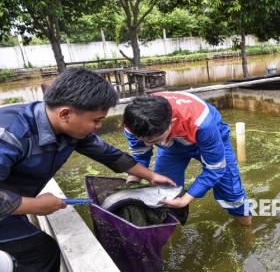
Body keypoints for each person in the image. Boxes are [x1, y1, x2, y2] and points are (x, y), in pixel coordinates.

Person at [0, 68, 175, 272]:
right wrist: (35, 206)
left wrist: (152, 176)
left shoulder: (72, 130)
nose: (99, 126)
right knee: (42, 252)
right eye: (96, 120)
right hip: (8, 205)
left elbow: (110, 155)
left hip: (11, 204)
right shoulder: (9, 134)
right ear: (65, 113)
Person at [123, 92, 252, 226]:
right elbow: (139, 154)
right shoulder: (133, 122)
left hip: (210, 140)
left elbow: (215, 168)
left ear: (171, 123)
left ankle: (248, 233)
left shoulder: (202, 123)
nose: (148, 145)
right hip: (171, 147)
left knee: (232, 195)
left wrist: (185, 199)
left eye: (154, 141)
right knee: (164, 192)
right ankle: (169, 231)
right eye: (143, 140)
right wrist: (132, 184)